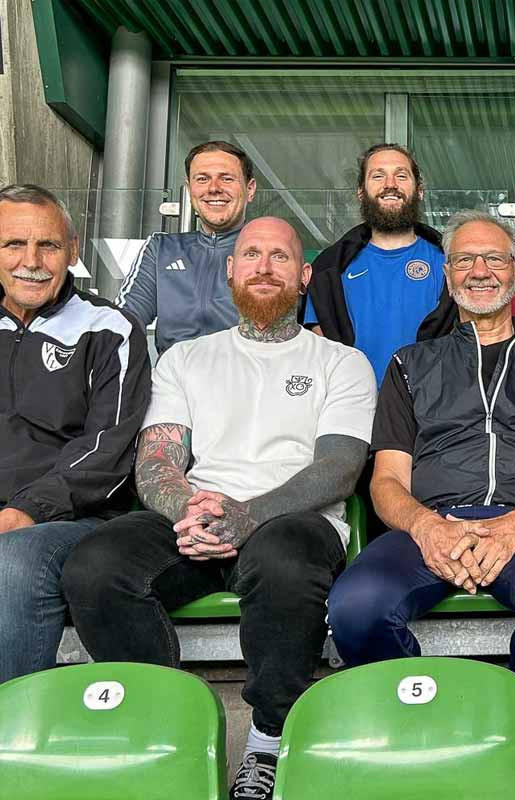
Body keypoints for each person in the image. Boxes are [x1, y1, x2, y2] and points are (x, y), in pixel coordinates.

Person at [63, 217, 376, 800]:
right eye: (251, 254)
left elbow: (337, 468)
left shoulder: (341, 362)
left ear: (304, 275)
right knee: (96, 565)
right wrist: (190, 509)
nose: (264, 266)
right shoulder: (185, 359)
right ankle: (165, 729)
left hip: (292, 520)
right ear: (230, 271)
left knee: (285, 561)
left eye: (280, 256)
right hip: (195, 514)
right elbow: (156, 460)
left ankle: (267, 744)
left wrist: (247, 515)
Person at [327, 211, 515, 747]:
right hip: (429, 526)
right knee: (355, 606)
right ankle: (427, 717)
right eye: (465, 259)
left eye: (494, 258)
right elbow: (386, 482)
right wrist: (428, 528)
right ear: (448, 277)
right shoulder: (409, 365)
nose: (480, 270)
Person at [0, 184, 150, 684]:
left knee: (15, 561)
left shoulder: (110, 328)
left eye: (48, 245)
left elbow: (107, 450)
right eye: (13, 245)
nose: (31, 261)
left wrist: (25, 511)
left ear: (74, 249)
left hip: (70, 520)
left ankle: (12, 739)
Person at [305, 143, 445, 385]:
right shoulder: (329, 269)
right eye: (378, 176)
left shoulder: (448, 263)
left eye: (401, 175)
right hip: (352, 405)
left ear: (419, 190)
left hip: (428, 409)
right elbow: (319, 345)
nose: (390, 184)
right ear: (361, 191)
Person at [117, 140, 257, 355]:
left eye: (226, 178)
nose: (214, 188)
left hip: (246, 379)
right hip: (172, 382)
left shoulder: (269, 253)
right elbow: (123, 321)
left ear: (250, 189)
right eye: (202, 179)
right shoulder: (161, 248)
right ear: (190, 189)